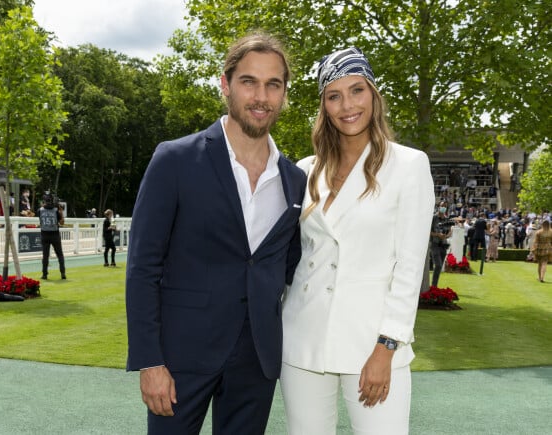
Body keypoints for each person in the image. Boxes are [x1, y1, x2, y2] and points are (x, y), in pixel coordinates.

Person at [125, 32, 306, 435]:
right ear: (226, 85)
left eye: (273, 84)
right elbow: (142, 268)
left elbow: (287, 264)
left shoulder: (295, 180)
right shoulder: (174, 159)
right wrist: (149, 361)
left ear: (283, 94)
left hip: (256, 360)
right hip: (179, 358)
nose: (261, 96)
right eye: (249, 82)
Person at [280, 47, 435, 435]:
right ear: (324, 106)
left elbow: (409, 266)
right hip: (302, 341)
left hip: (372, 343)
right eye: (334, 95)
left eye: (357, 90)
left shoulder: (409, 165)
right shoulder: (305, 170)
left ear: (374, 95)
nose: (347, 105)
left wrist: (387, 346)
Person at [36, 193, 66, 280]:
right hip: (55, 234)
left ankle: (44, 274)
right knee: (60, 255)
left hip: (44, 234)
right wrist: (61, 212)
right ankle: (63, 273)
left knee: (45, 256)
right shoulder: (56, 210)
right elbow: (62, 223)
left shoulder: (40, 210)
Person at [430, 201, 453, 287]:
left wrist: (446, 236)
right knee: (438, 265)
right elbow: (428, 232)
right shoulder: (433, 218)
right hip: (435, 244)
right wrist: (437, 235)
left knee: (439, 268)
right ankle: (434, 286)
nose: (443, 207)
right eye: (442, 206)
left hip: (443, 245)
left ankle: (434, 285)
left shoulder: (447, 219)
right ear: (439, 206)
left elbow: (450, 232)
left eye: (445, 206)